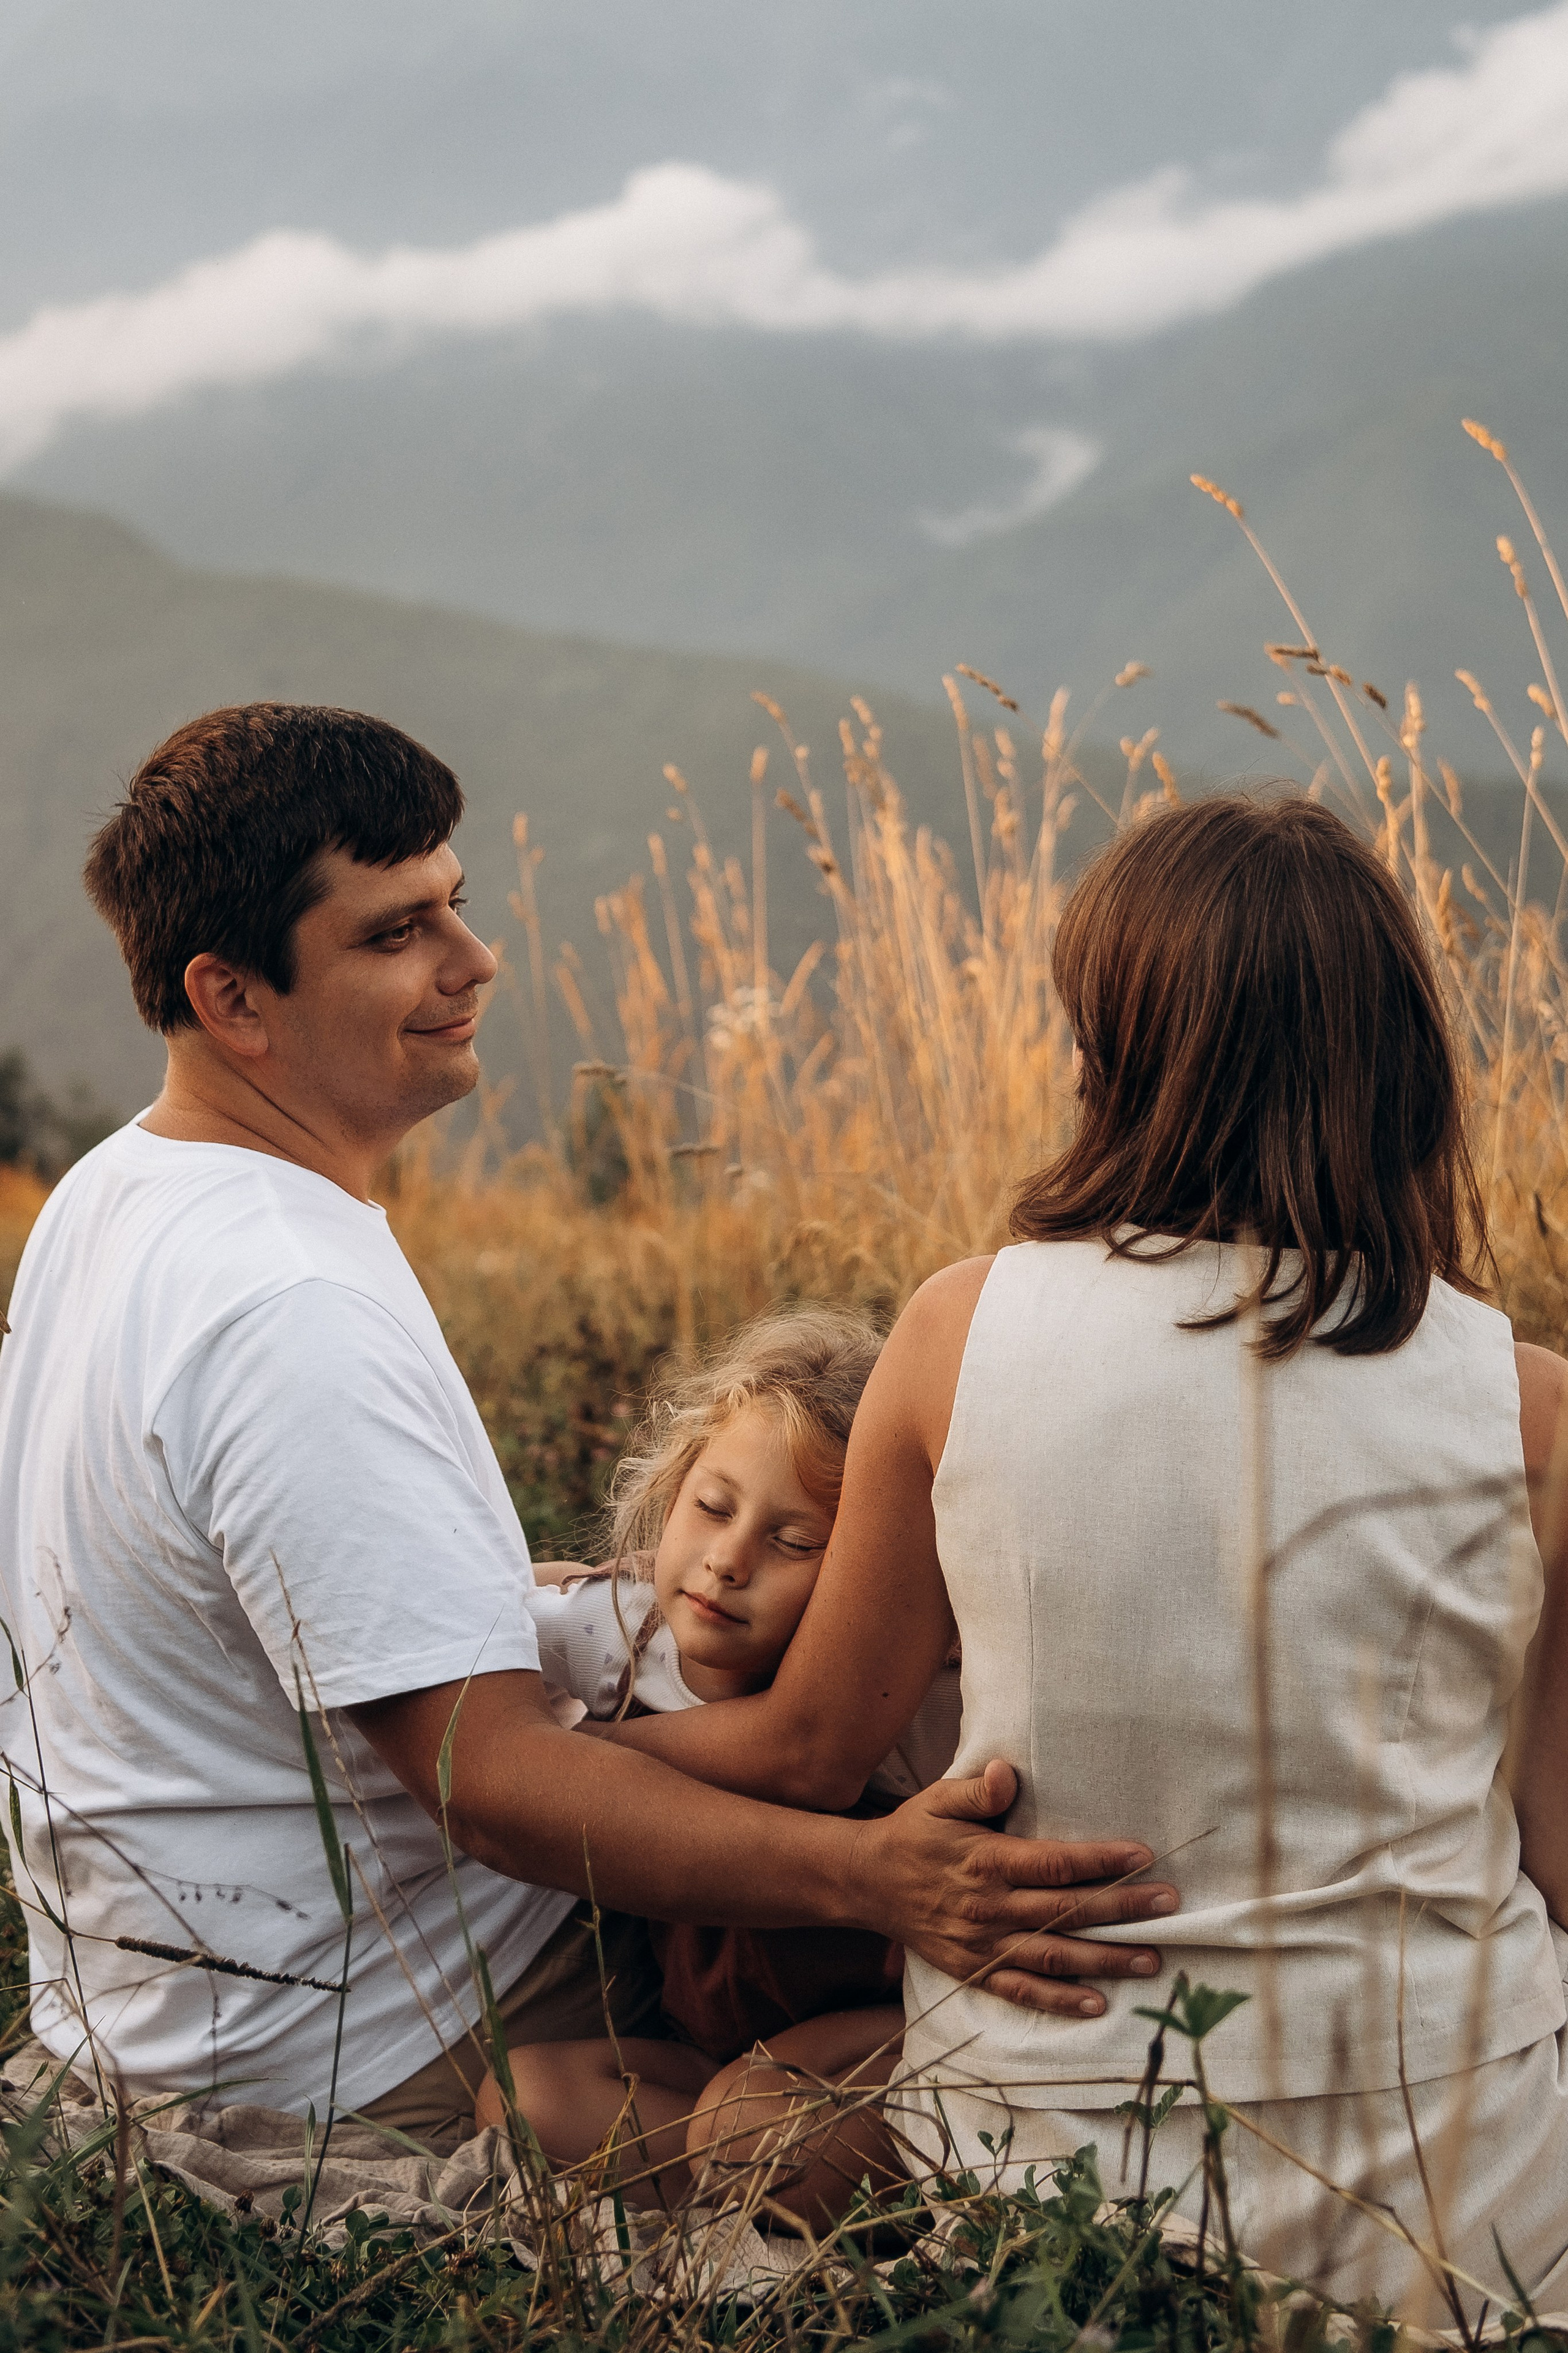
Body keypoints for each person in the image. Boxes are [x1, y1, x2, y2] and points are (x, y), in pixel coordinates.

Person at [0, 703, 1177, 2144]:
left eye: (456, 905)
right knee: (994, 1950)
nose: (471, 961)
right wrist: (874, 1873)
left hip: (176, 1992)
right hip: (376, 2019)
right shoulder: (287, 1301)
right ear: (233, 999)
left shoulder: (116, 1194)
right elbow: (484, 1785)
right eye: (393, 934)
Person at [604, 795, 1568, 2317]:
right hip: (1453, 2193)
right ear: (1396, 1073)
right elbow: (1551, 1842)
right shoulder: (1526, 1405)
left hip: (1043, 2175)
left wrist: (558, 1725)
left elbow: (804, 1753)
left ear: (1121, 1056)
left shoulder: (959, 1332)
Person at [481, 1303, 967, 2223]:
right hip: (711, 2041)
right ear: (673, 1491)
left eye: (796, 1542)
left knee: (750, 2125)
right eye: (711, 1507)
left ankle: (765, 2172)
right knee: (527, 2094)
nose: (729, 1560)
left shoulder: (893, 1707)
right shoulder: (618, 1636)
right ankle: (733, 2190)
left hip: (876, 2030)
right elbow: (480, 1617)